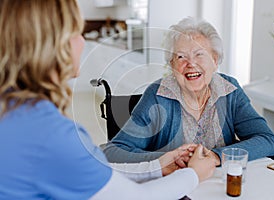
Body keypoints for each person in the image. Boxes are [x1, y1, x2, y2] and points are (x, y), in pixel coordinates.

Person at [0, 1, 216, 199]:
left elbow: (98, 172)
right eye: (76, 32)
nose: (83, 40)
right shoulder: (49, 134)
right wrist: (193, 174)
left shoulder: (15, 111)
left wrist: (158, 166)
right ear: (52, 44)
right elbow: (135, 198)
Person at [103, 17, 274, 165]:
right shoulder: (158, 95)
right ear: (172, 65)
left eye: (199, 54)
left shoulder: (229, 90)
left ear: (215, 60)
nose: (191, 63)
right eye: (181, 57)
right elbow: (113, 151)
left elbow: (267, 140)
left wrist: (216, 156)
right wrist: (166, 160)